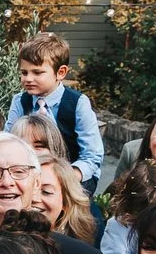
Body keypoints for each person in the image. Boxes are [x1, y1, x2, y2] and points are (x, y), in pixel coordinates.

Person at [11, 34, 103, 185]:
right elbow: (10, 142)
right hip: (30, 174)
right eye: (24, 72)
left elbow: (91, 155)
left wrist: (66, 179)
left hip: (72, 175)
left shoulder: (77, 103)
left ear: (60, 72)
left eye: (37, 72)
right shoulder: (20, 101)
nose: (28, 78)